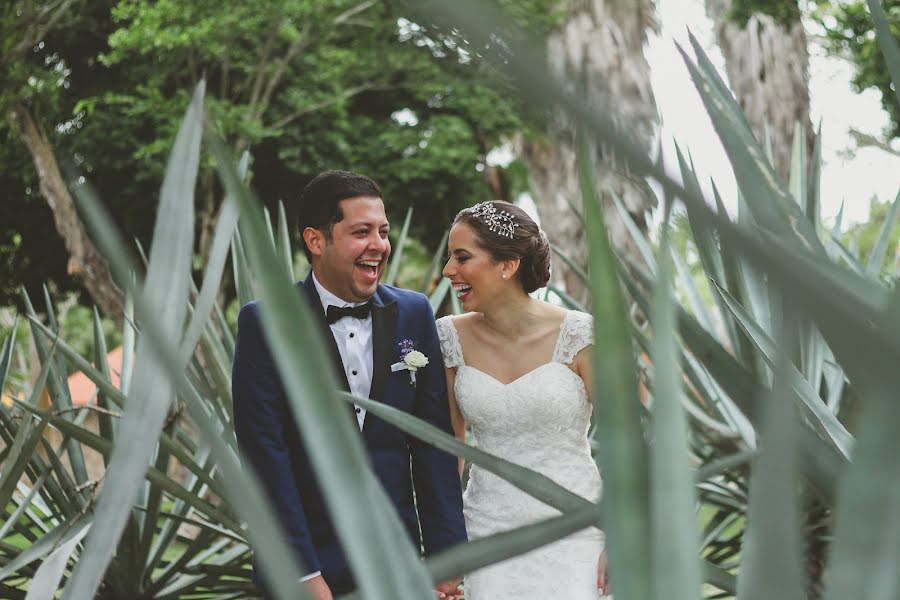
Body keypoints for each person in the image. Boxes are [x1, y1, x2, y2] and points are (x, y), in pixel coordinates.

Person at [232, 170, 467, 599]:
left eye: (383, 231)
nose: (378, 245)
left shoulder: (414, 313)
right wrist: (304, 576)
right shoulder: (264, 324)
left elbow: (434, 445)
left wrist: (446, 558)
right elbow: (265, 456)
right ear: (316, 241)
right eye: (361, 232)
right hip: (305, 566)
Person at [437, 200, 608, 599]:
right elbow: (451, 449)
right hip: (487, 535)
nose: (448, 271)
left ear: (507, 264)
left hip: (576, 531)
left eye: (462, 257)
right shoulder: (448, 337)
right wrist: (445, 544)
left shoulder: (582, 336)